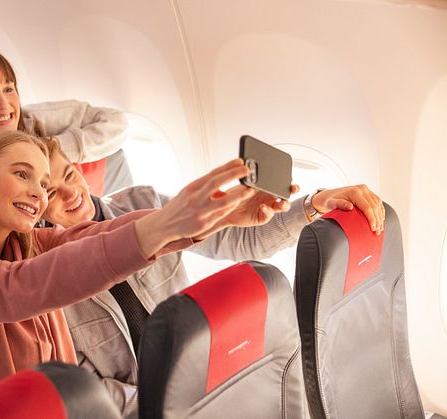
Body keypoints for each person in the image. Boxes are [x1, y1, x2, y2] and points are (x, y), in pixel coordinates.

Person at [0, 129, 300, 408]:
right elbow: (30, 285)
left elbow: (99, 235)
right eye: (23, 175)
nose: (38, 194)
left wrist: (219, 215)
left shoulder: (26, 247)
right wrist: (167, 222)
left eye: (44, 183)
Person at [38, 137, 385, 415]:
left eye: (69, 175)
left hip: (208, 373)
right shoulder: (46, 277)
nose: (71, 193)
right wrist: (172, 402)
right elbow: (88, 387)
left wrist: (315, 204)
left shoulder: (140, 203)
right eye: (52, 192)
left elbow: (240, 237)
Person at [0, 47, 132, 194]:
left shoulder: (34, 119)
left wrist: (51, 149)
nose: (3, 104)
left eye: (8, 89)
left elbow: (117, 123)